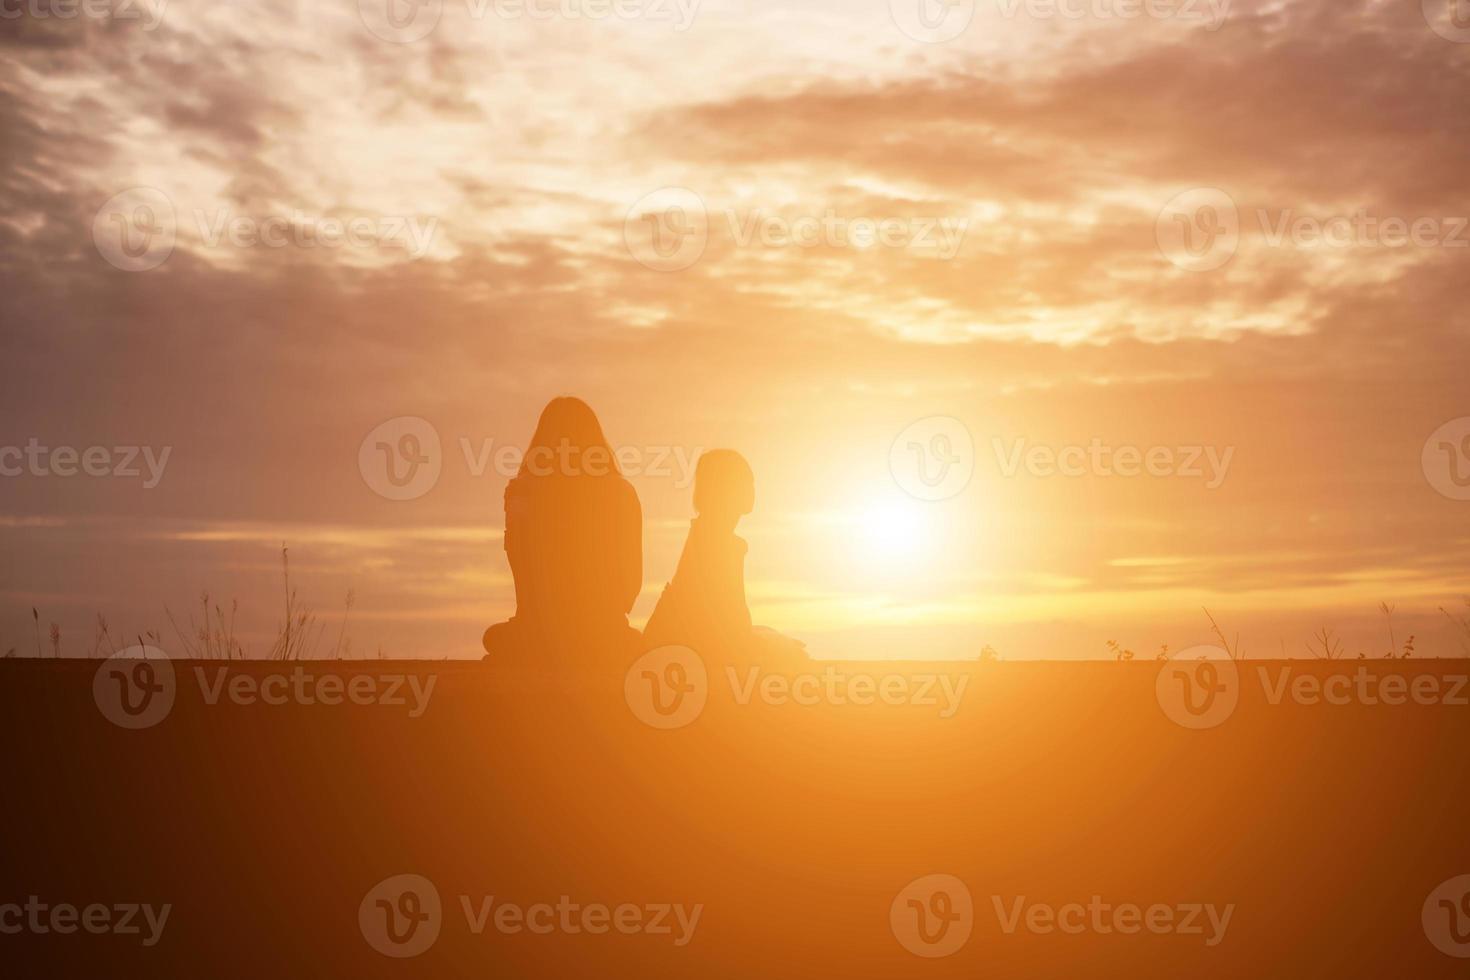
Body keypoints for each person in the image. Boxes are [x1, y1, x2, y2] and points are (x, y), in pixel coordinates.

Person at [482, 398, 643, 664]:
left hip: (537, 634)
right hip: (604, 633)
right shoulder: (622, 493)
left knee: (495, 638)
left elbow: (522, 576)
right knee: (634, 644)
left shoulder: (523, 492)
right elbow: (630, 585)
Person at [644, 449, 805, 662]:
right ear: (726, 490)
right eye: (746, 483)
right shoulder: (717, 542)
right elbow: (728, 625)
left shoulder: (708, 534)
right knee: (791, 654)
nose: (753, 491)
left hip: (686, 648)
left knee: (772, 637)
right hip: (689, 656)